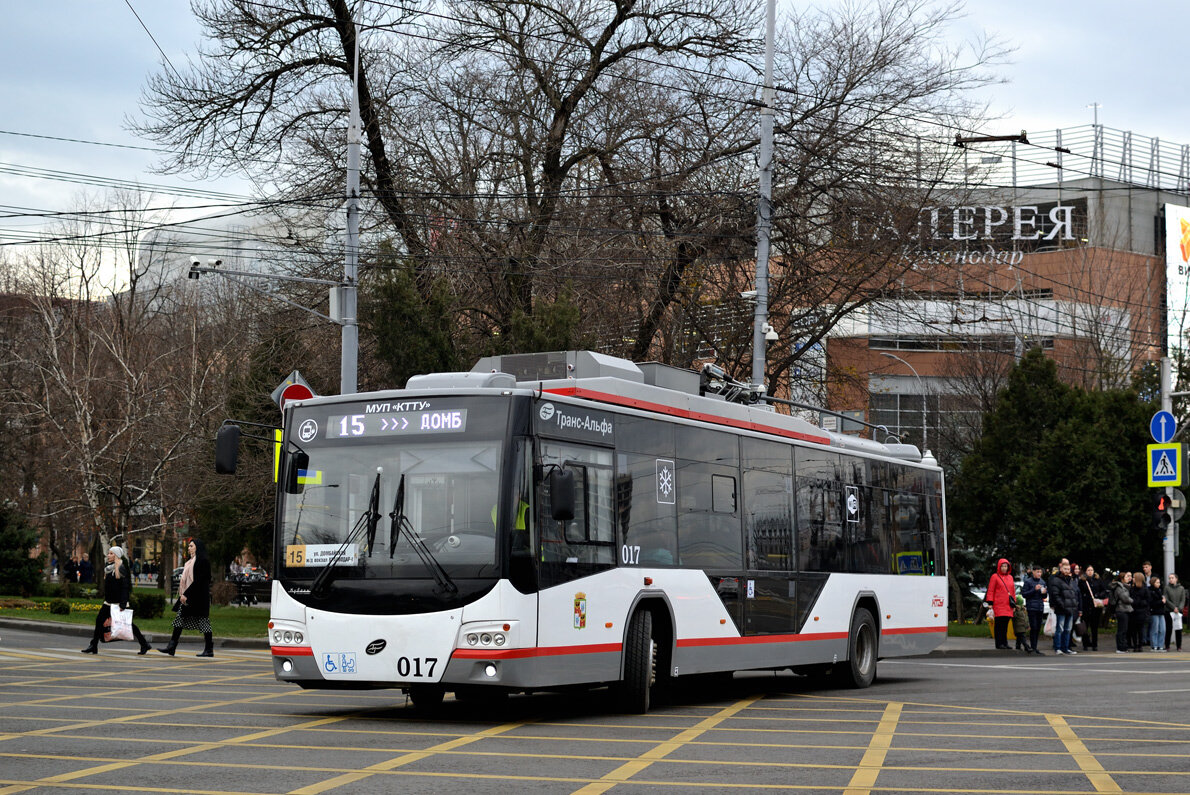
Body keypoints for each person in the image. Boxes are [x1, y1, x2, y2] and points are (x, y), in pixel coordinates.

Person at [81, 546, 151, 655]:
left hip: (118, 603)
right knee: (99, 621)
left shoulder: (121, 568)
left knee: (129, 625)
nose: (108, 555)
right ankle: (93, 645)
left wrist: (123, 603)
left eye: (111, 553)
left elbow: (125, 587)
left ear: (116, 555)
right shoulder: (109, 568)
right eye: (108, 553)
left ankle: (144, 644)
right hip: (108, 602)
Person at [157, 538, 214, 658]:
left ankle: (209, 649)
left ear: (198, 547)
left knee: (204, 622)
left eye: (191, 546)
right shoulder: (190, 561)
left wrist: (186, 594)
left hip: (198, 598)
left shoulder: (202, 561)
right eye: (188, 546)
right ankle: (171, 646)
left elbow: (199, 581)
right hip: (190, 596)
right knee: (179, 619)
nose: (189, 548)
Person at [1047, 559, 1080, 655]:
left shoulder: (1070, 580)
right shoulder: (1056, 580)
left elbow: (1074, 593)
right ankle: (1058, 647)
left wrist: (1075, 604)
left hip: (1070, 608)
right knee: (1060, 629)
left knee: (1068, 629)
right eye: (1065, 569)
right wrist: (1062, 604)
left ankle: (1066, 647)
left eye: (1068, 569)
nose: (1067, 571)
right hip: (1061, 608)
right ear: (1061, 569)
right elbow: (1055, 594)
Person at [985, 557, 1016, 650]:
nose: (1004, 568)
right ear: (999, 567)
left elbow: (1013, 591)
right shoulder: (995, 576)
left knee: (1005, 625)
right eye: (1002, 566)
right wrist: (990, 602)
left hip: (1008, 605)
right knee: (999, 625)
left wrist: (1014, 603)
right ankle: (999, 643)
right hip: (998, 604)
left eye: (1006, 566)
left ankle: (1005, 643)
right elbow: (990, 590)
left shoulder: (1010, 577)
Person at [1020, 564, 1047, 655]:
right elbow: (1024, 594)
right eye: (1037, 572)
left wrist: (1044, 593)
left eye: (1040, 572)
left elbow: (1044, 596)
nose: (1039, 574)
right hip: (1031, 607)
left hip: (1040, 607)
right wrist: (1034, 589)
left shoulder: (1042, 582)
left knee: (1038, 628)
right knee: (1034, 627)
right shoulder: (1028, 581)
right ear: (1033, 572)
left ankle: (1035, 647)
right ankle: (1032, 647)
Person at [1079, 565, 1107, 651]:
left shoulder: (1098, 580)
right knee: (1085, 627)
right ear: (1085, 571)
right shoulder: (1082, 581)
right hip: (1086, 606)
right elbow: (1079, 593)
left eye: (1091, 570)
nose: (1090, 571)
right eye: (1088, 570)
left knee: (1094, 627)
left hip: (1096, 607)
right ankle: (1085, 644)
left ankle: (1095, 644)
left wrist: (1098, 595)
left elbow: (1104, 590)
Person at [1109, 571, 1133, 653]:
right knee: (1122, 630)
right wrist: (1132, 600)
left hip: (1124, 609)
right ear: (1122, 579)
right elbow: (1125, 598)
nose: (1128, 578)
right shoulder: (1119, 588)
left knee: (1124, 629)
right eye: (1126, 577)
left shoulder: (1124, 587)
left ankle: (1124, 646)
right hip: (1121, 610)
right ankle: (1120, 647)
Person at [1129, 570, 1150, 652]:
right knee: (1133, 630)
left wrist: (1138, 602)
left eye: (1134, 577)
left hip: (1141, 612)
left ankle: (1140, 645)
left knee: (1140, 629)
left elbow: (1148, 601)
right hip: (1133, 612)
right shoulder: (1132, 589)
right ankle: (1135, 645)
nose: (1132, 579)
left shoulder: (1145, 589)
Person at [1164, 573, 1186, 651]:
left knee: (1178, 629)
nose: (1170, 579)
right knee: (1168, 629)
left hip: (1178, 612)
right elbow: (1166, 599)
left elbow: (1183, 600)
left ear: (1176, 579)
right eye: (1169, 578)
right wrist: (1174, 608)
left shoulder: (1181, 588)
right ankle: (1167, 646)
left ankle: (1179, 646)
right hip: (1169, 611)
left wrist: (1179, 608)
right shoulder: (1167, 588)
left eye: (1172, 578)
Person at [1148, 575, 1167, 651]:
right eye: (1157, 582)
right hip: (1154, 612)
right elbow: (1151, 603)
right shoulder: (1150, 591)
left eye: (1159, 582)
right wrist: (1161, 602)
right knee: (1154, 629)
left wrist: (1162, 602)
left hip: (1161, 612)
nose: (1159, 584)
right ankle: (1154, 645)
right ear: (1153, 583)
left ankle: (1160, 645)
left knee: (1163, 629)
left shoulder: (1159, 590)